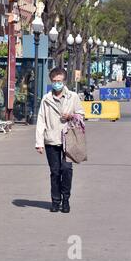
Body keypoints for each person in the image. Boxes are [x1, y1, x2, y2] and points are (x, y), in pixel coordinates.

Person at [35, 68, 85, 213]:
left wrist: (70, 116)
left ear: (64, 81)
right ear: (51, 81)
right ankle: (55, 201)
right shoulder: (46, 99)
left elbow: (81, 114)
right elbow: (41, 120)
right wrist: (39, 143)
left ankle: (66, 200)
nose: (57, 83)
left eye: (60, 81)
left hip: (68, 138)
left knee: (67, 170)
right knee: (55, 172)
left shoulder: (73, 97)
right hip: (51, 139)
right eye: (55, 81)